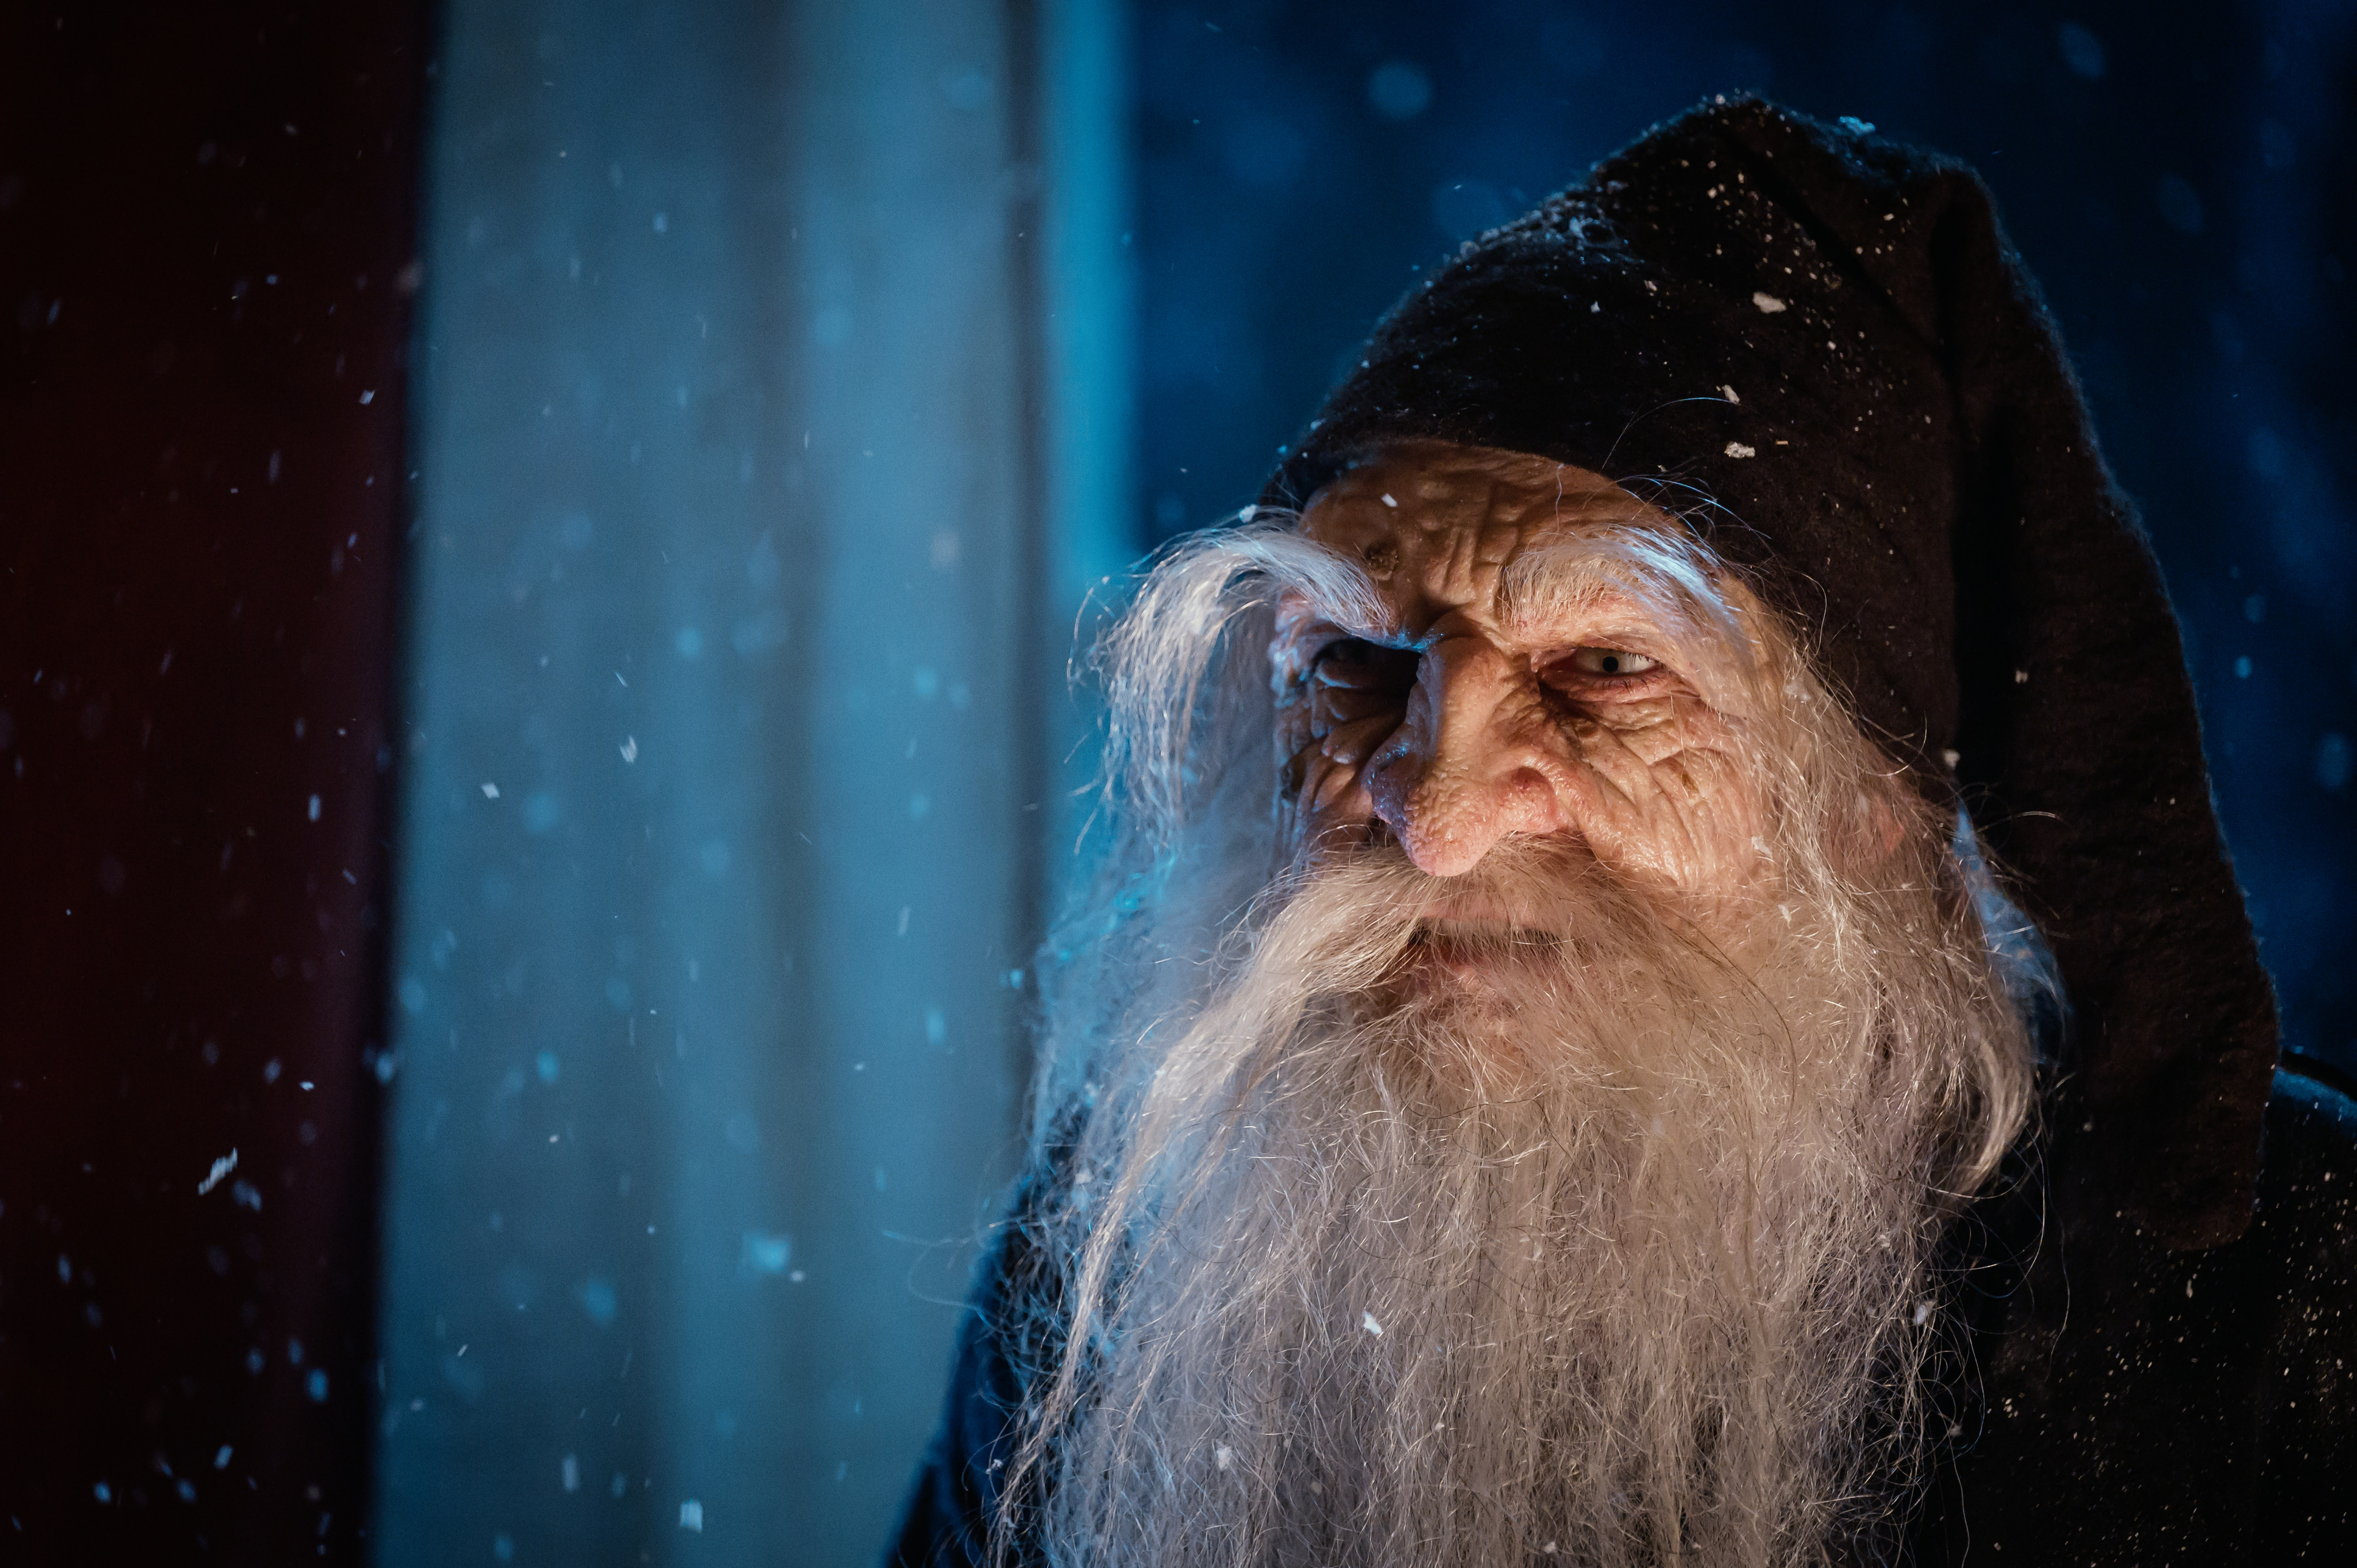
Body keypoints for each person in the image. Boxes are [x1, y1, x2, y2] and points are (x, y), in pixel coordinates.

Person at [888, 97, 2357, 1568]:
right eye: (1354, 663)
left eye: (1605, 668)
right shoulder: (1133, 1270)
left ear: (1879, 803)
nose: (1436, 821)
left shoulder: (2294, 1290)